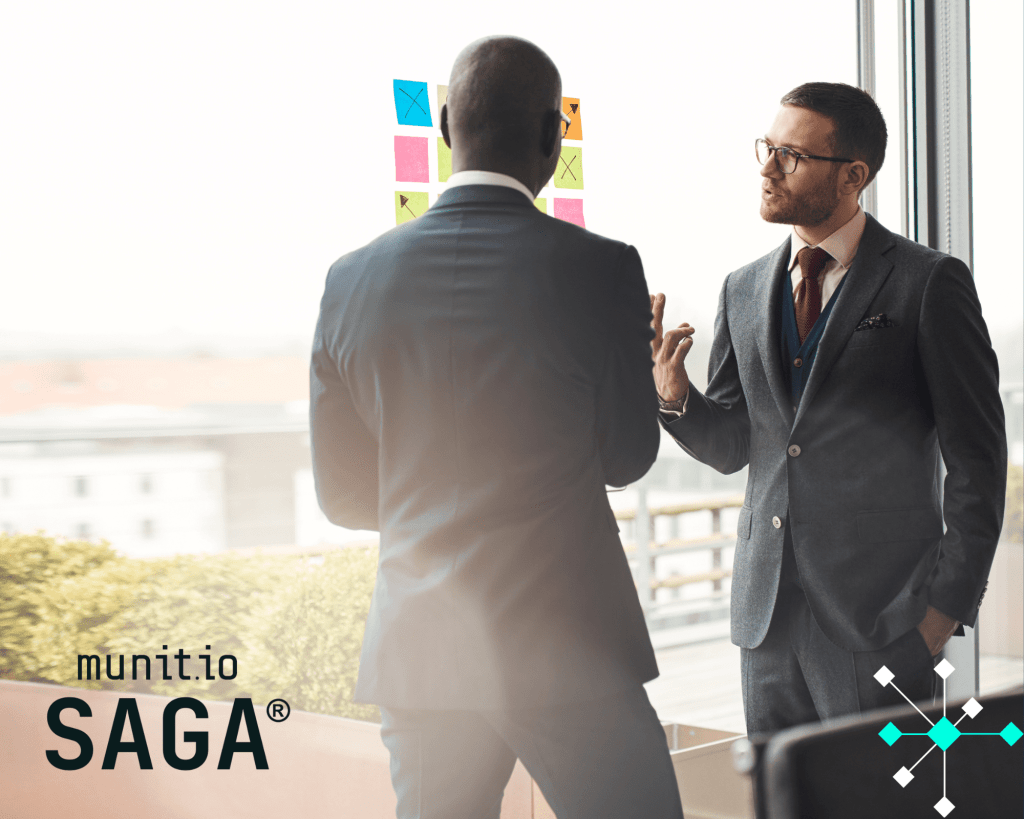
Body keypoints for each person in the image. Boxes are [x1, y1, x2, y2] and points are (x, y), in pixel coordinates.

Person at [310, 36, 684, 819]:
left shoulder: (349, 280)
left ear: (446, 126)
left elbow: (344, 497)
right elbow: (626, 455)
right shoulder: (603, 269)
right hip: (567, 649)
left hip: (420, 651)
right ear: (554, 137)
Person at [651, 82, 1006, 735]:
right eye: (767, 148)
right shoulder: (742, 288)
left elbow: (979, 462)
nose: (767, 168)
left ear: (853, 175)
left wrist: (942, 613)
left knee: (887, 801)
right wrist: (676, 398)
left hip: (882, 622)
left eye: (790, 155)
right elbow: (735, 445)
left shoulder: (928, 282)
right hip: (765, 626)